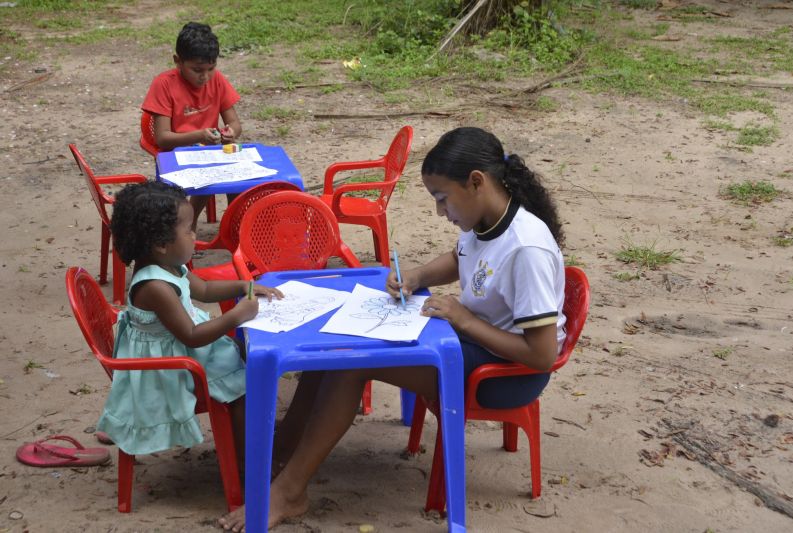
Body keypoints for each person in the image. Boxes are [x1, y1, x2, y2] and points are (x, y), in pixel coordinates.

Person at [218, 126, 566, 531]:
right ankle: (287, 447)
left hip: (505, 373)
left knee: (352, 363)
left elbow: (542, 355)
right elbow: (459, 257)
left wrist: (464, 319)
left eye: (442, 198)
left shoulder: (527, 249)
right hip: (468, 340)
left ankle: (290, 491)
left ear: (476, 182)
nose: (440, 212)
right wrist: (417, 276)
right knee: (334, 343)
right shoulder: (485, 219)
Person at [96, 181, 282, 475]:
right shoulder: (154, 286)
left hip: (180, 347)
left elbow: (205, 289)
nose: (195, 236)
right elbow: (192, 337)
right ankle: (250, 470)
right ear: (161, 243)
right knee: (243, 385)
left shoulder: (170, 265)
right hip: (165, 369)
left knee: (246, 357)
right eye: (189, 230)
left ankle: (255, 442)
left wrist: (245, 286)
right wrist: (236, 316)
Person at [141, 21, 242, 229]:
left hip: (208, 151)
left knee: (239, 181)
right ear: (178, 61)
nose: (205, 77)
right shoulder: (164, 84)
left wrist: (231, 132)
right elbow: (163, 138)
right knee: (208, 174)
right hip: (175, 155)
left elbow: (234, 122)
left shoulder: (217, 81)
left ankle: (235, 231)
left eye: (211, 69)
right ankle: (188, 225)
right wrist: (199, 136)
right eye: (197, 70)